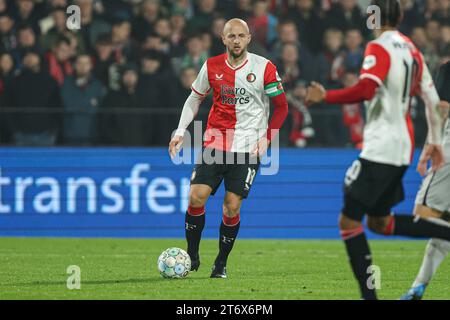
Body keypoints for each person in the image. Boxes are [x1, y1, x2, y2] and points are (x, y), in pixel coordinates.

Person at [305, 0, 450, 300]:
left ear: (374, 18)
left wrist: (325, 96)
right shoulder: (412, 50)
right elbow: (433, 100)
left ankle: (369, 298)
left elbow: (365, 89)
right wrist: (435, 140)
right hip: (401, 149)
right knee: (380, 222)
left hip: (381, 147)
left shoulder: (379, 48)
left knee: (348, 222)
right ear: (399, 16)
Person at [168, 18, 288, 278]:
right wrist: (180, 131)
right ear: (223, 39)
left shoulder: (264, 67)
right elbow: (194, 98)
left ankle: (220, 263)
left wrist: (267, 138)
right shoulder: (211, 66)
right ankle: (192, 254)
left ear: (248, 39)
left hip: (248, 148)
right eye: (231, 36)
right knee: (196, 197)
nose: (236, 40)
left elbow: (282, 107)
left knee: (231, 206)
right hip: (215, 143)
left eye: (241, 36)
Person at [401, 60, 450, 300]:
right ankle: (417, 288)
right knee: (444, 222)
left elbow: (442, 107)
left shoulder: (447, 68)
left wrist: (432, 143)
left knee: (425, 214)